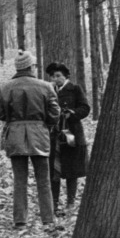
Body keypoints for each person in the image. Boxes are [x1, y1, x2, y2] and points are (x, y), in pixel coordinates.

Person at [0, 50, 60, 229]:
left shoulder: (4, 88)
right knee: (43, 179)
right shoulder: (46, 86)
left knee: (19, 180)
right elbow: (55, 114)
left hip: (14, 135)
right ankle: (48, 219)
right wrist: (46, 124)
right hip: (39, 134)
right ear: (31, 66)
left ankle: (20, 220)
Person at [45, 62, 90, 216]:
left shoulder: (75, 89)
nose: (55, 79)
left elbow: (85, 108)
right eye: (53, 76)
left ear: (65, 77)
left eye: (58, 76)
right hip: (54, 136)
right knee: (54, 170)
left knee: (72, 170)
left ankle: (71, 201)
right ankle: (55, 203)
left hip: (72, 134)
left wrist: (72, 113)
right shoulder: (49, 90)